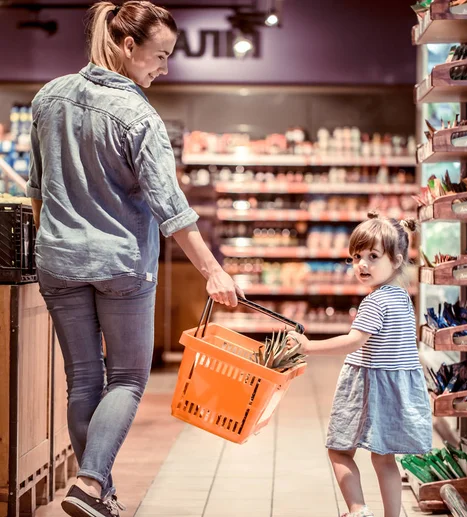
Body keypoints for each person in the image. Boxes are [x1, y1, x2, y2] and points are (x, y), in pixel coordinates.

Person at [26, 2, 243, 516]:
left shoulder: (47, 97)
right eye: (160, 55)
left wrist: (54, 240)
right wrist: (213, 271)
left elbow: (38, 191)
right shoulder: (138, 115)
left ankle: (101, 494)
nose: (164, 68)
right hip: (121, 263)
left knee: (82, 379)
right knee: (127, 377)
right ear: (127, 46)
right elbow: (173, 210)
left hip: (58, 260)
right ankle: (91, 483)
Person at [287, 211, 432, 517]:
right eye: (356, 257)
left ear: (396, 259)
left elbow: (354, 341)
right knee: (384, 458)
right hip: (397, 388)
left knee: (339, 450)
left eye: (372, 256)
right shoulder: (402, 298)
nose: (362, 264)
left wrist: (309, 346)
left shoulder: (375, 302)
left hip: (368, 387)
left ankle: (358, 510)